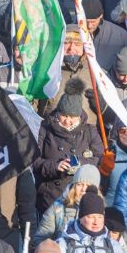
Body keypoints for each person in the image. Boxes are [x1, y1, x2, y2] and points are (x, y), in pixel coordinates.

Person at [33, 81, 104, 212]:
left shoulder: (89, 131)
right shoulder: (44, 129)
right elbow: (34, 161)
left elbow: (99, 157)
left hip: (82, 195)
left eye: (72, 117)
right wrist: (55, 166)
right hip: (52, 197)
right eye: (64, 115)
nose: (67, 121)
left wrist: (80, 165)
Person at [36, 165, 102, 243]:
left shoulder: (102, 211)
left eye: (88, 186)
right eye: (79, 184)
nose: (83, 189)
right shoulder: (57, 208)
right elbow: (41, 239)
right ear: (74, 186)